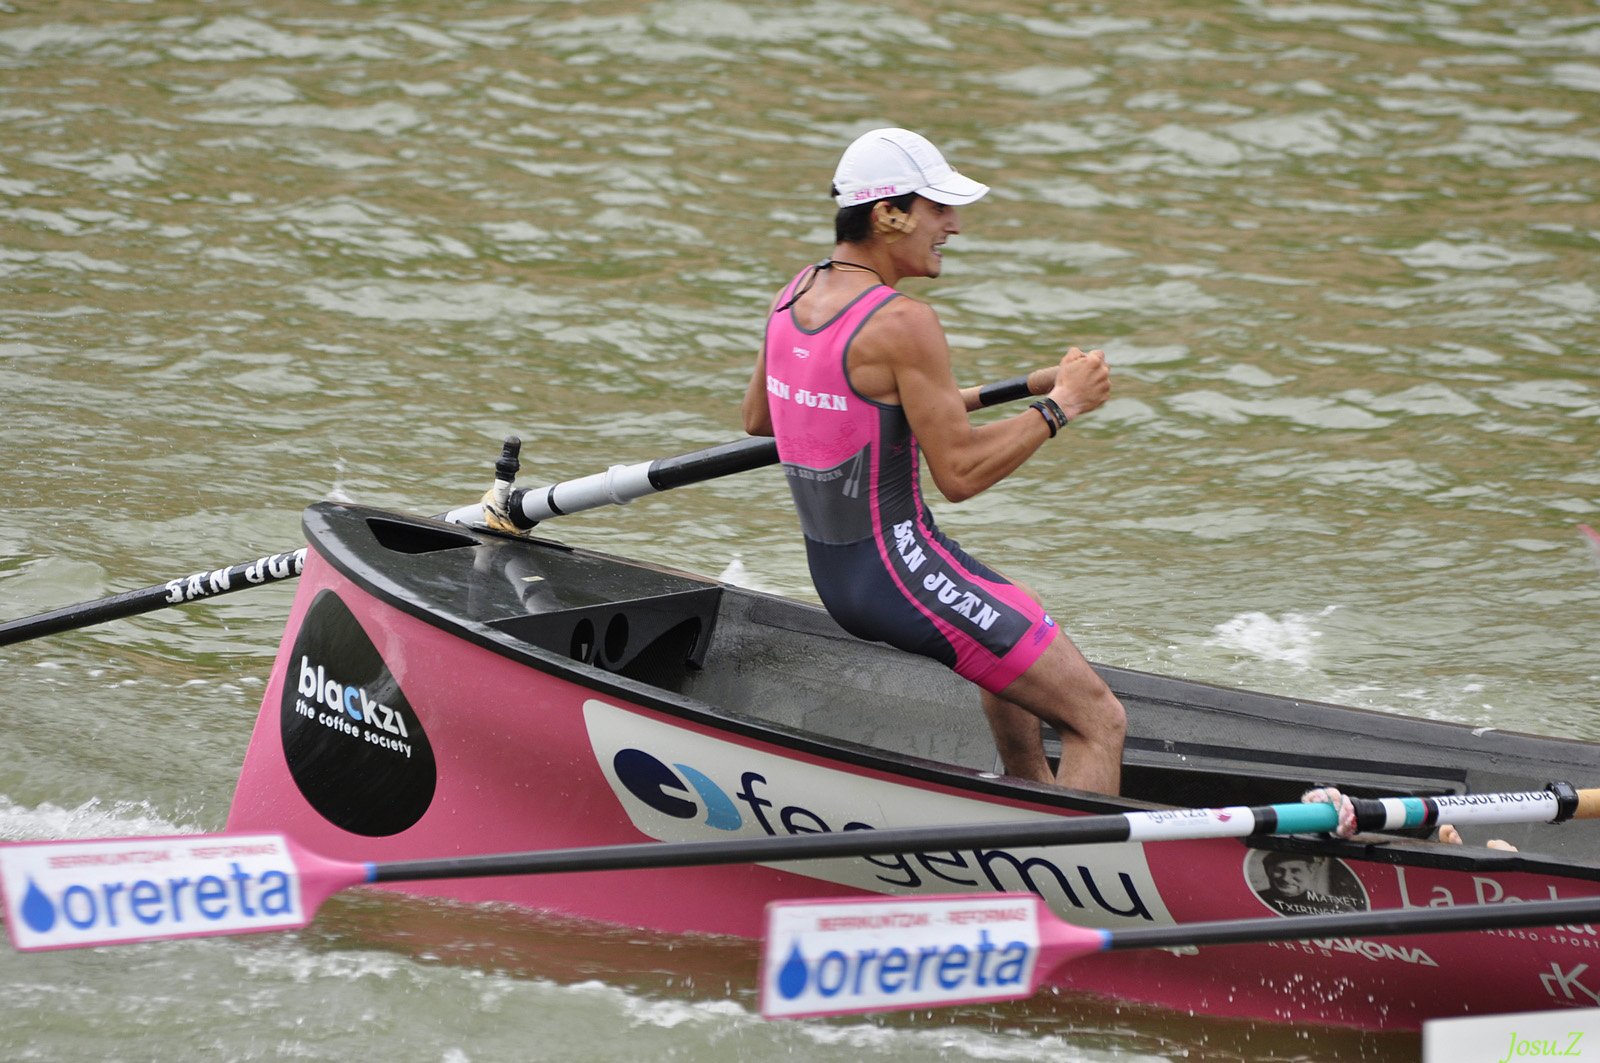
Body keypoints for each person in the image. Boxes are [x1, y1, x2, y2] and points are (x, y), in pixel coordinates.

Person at [741, 127, 1126, 795]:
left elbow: (767, 416)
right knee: (1098, 718)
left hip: (839, 576)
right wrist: (1062, 405)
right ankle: (1063, 860)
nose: (953, 226)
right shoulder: (903, 321)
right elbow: (961, 474)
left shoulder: (795, 292)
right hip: (902, 571)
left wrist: (983, 394)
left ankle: (1030, 797)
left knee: (1018, 613)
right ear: (888, 214)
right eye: (938, 208)